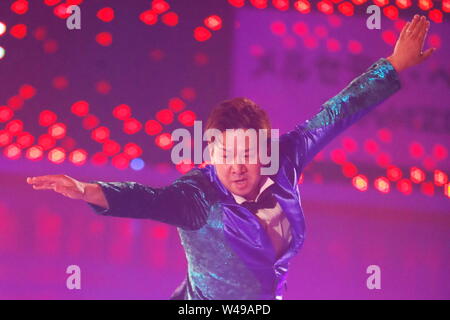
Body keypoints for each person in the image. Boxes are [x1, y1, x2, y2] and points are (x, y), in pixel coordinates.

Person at [27, 15, 435, 300]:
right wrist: (88, 189)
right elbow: (146, 198)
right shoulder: (197, 195)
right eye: (226, 154)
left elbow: (336, 113)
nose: (237, 165)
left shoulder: (285, 158)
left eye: (247, 154)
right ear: (210, 151)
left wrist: (395, 65)